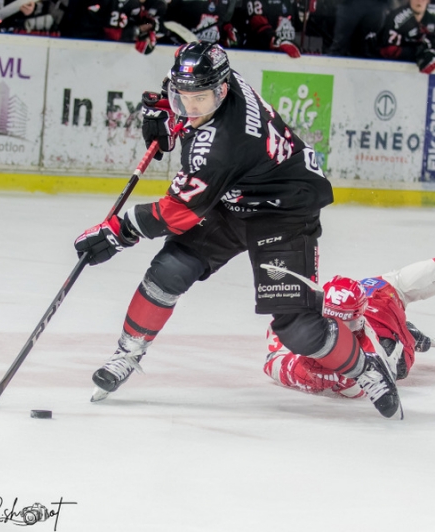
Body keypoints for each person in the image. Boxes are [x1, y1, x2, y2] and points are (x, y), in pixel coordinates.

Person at [73, 41, 402, 419]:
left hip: (283, 211)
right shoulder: (217, 80)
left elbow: (175, 213)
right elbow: (183, 80)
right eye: (184, 98)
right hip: (231, 198)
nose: (191, 108)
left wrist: (116, 232)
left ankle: (367, 368)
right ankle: (127, 353)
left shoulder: (223, 144)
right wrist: (166, 110)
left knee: (296, 327)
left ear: (223, 90)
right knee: (169, 271)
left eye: (200, 100)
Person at [264, 259, 434, 398]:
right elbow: (273, 361)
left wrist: (347, 382)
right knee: (397, 363)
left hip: (387, 325)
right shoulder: (295, 323)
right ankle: (410, 336)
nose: (343, 333)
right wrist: (300, 371)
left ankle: (409, 336)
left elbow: (372, 384)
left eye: (350, 324)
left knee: (397, 361)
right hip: (386, 334)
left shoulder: (381, 291)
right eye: (335, 322)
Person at [377, 0, 435, 74]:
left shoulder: (432, 15)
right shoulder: (396, 18)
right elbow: (386, 50)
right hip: (397, 71)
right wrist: (415, 52)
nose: (419, 1)